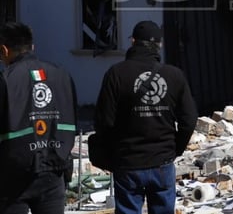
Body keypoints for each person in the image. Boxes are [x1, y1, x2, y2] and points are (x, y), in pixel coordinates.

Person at [95, 20, 197, 214]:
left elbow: (103, 122)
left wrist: (113, 153)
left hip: (128, 162)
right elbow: (189, 120)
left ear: (133, 41)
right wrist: (175, 149)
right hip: (162, 162)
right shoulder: (174, 75)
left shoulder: (116, 74)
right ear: (159, 45)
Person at [0, 22, 77, 214]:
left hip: (13, 176)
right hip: (54, 170)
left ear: (4, 50)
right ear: (32, 46)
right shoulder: (61, 75)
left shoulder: (5, 79)